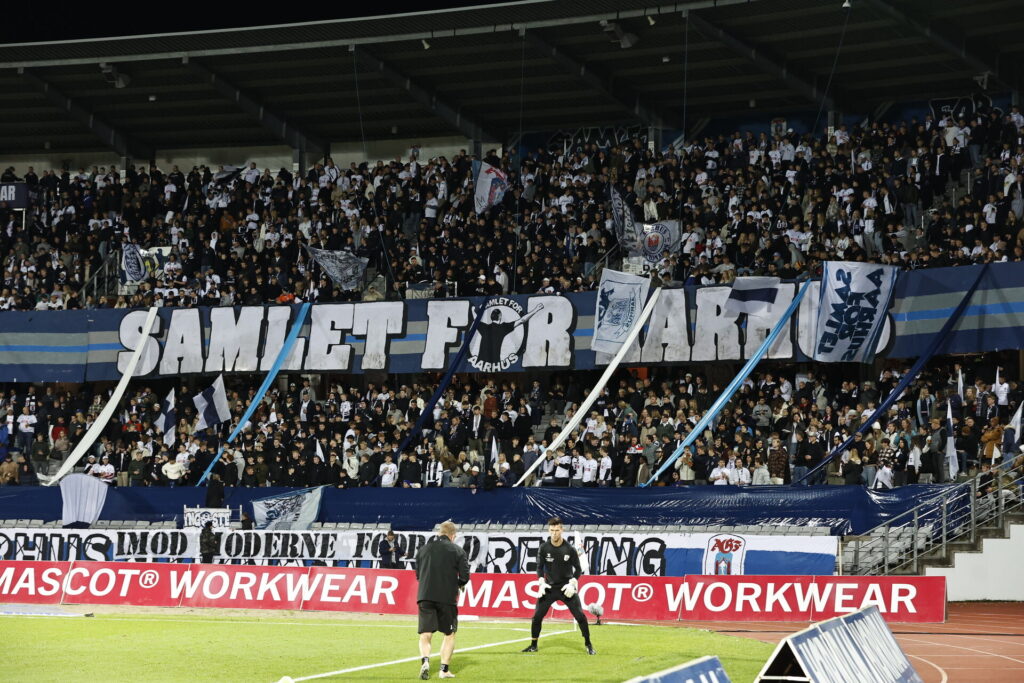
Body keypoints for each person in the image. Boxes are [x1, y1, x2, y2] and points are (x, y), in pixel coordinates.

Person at [522, 516, 595, 655]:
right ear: (548, 530)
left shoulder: (570, 549)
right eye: (551, 530)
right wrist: (541, 582)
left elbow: (578, 569)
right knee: (536, 617)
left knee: (580, 616)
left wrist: (573, 583)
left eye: (557, 530)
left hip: (566, 588)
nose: (554, 533)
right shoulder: (543, 548)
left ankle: (588, 644)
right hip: (549, 588)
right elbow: (539, 568)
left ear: (562, 530)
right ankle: (533, 645)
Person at [414, 520, 470, 680]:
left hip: (425, 596)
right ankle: (444, 670)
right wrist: (457, 584)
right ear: (453, 536)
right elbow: (465, 576)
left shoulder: (423, 550)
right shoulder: (458, 551)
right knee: (449, 634)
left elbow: (418, 575)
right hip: (447, 597)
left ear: (439, 533)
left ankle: (425, 661)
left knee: (425, 634)